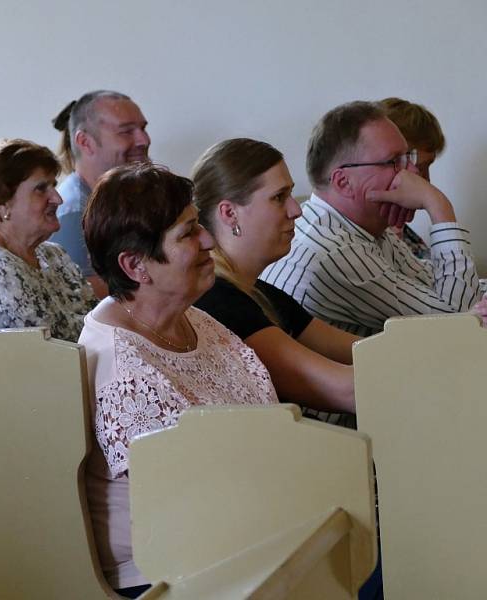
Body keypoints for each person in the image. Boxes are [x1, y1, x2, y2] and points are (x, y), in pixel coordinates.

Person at [79, 163, 278, 597]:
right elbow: (186, 504)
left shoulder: (195, 320)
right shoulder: (118, 362)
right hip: (169, 575)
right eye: (189, 234)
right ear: (135, 265)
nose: (209, 240)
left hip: (240, 536)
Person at [262, 101, 482, 336]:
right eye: (394, 162)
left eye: (408, 158)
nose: (414, 173)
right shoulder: (334, 251)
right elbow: (458, 325)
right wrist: (438, 205)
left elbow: (433, 287)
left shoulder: (365, 228)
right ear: (343, 182)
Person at [192, 138, 360, 426]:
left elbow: (363, 349)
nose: (296, 210)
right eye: (279, 197)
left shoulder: (259, 292)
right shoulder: (217, 300)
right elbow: (343, 390)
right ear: (229, 212)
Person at [0, 138, 96, 342]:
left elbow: (98, 325)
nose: (58, 199)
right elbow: (37, 358)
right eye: (41, 189)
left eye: (53, 186)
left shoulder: (55, 254)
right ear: (2, 203)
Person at [50, 90, 150, 298]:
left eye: (142, 128)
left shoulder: (121, 202)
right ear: (85, 142)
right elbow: (96, 303)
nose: (144, 140)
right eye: (126, 132)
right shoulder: (72, 216)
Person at [380, 97, 447, 259]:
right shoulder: (354, 244)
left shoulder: (403, 234)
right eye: (421, 168)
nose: (427, 181)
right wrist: (438, 205)